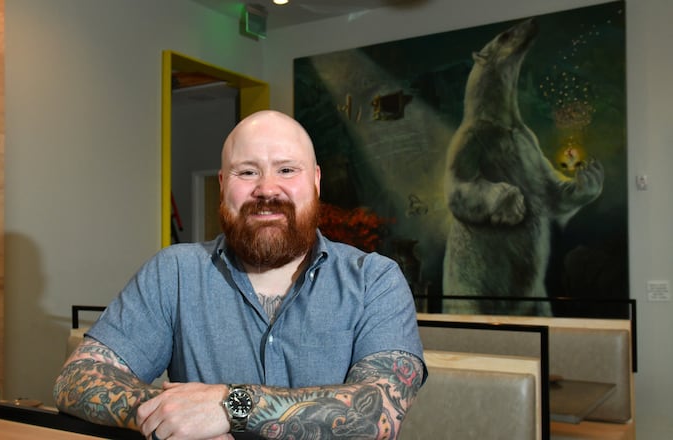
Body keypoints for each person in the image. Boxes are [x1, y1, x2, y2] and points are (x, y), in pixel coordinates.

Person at [53, 110, 427, 439]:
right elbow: (78, 378)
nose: (266, 189)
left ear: (315, 181)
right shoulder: (174, 273)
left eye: (286, 170)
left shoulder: (375, 280)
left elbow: (377, 414)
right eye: (247, 172)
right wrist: (172, 415)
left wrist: (228, 406)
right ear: (222, 185)